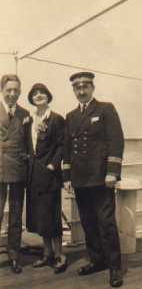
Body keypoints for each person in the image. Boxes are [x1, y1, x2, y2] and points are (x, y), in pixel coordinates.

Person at [63, 72, 124, 287]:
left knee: (106, 223)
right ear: (74, 90)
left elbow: (116, 140)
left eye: (85, 87)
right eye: (77, 88)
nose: (81, 91)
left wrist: (112, 171)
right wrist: (67, 176)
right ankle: (97, 260)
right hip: (80, 179)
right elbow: (67, 148)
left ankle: (115, 267)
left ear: (92, 88)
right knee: (88, 223)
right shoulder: (71, 116)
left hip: (101, 177)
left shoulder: (105, 109)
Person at [26, 83, 67, 274]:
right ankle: (47, 253)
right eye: (35, 94)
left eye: (42, 93)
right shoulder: (30, 120)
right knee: (41, 215)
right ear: (32, 98)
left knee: (52, 214)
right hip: (34, 174)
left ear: (48, 96)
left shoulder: (56, 119)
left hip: (49, 175)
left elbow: (62, 145)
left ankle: (60, 255)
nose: (39, 96)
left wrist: (53, 164)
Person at [0, 74, 29, 274]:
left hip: (18, 169)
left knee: (16, 216)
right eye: (9, 90)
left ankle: (14, 256)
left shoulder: (24, 113)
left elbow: (28, 144)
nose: (12, 94)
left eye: (16, 90)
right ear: (2, 90)